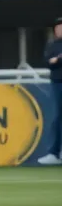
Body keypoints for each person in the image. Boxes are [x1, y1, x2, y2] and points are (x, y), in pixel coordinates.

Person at [39, 19, 62, 166]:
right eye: (58, 28)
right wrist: (58, 59)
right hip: (57, 83)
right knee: (57, 116)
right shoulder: (52, 45)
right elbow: (48, 62)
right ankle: (54, 152)